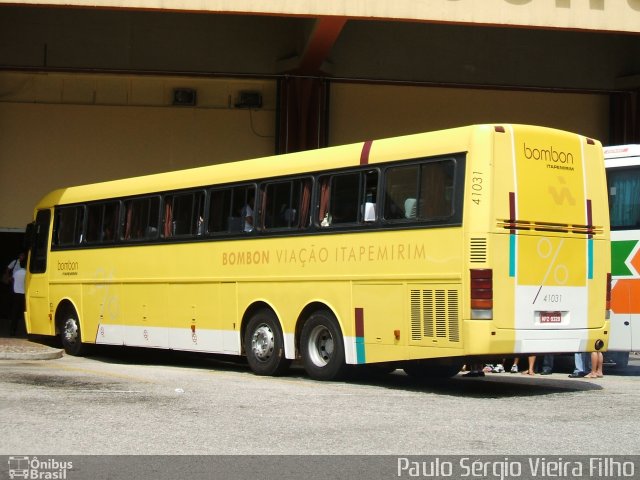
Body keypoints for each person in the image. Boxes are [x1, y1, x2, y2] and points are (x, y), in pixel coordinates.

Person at [9, 257, 26, 336]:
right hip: (24, 295)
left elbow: (12, 280)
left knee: (14, 313)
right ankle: (25, 330)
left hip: (16, 293)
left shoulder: (16, 273)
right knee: (24, 313)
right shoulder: (27, 273)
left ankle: (12, 330)